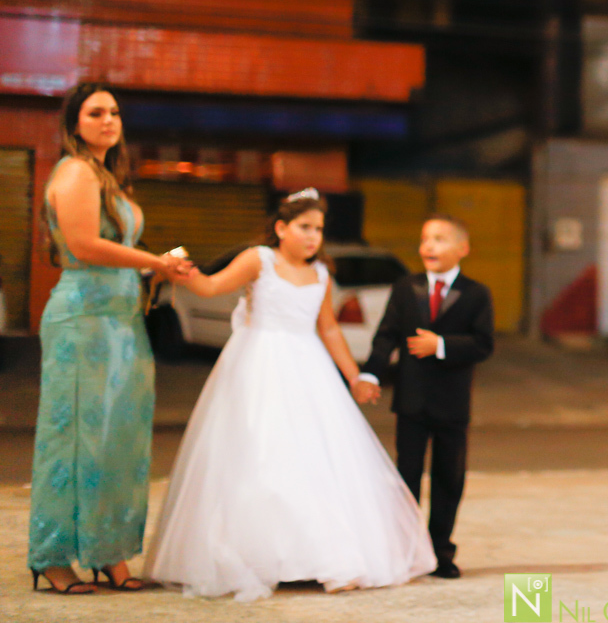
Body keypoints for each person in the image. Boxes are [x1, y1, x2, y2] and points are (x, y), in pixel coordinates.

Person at [144, 190, 436, 601]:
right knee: (261, 454)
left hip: (309, 368)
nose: (313, 236)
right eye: (304, 227)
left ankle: (323, 557)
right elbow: (210, 288)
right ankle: (262, 556)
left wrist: (355, 376)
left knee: (316, 457)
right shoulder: (258, 260)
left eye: (318, 229)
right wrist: (180, 269)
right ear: (281, 228)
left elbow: (329, 328)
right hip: (257, 365)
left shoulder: (322, 275)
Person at [30, 84, 191, 594]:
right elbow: (83, 244)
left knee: (120, 441)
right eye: (95, 112)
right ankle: (53, 556)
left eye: (115, 112)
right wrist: (154, 261)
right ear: (74, 123)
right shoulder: (75, 171)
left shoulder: (108, 177)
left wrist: (155, 273)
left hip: (122, 321)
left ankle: (110, 552)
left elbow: (113, 246)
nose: (108, 120)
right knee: (74, 440)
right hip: (83, 321)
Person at [359, 215, 495, 580]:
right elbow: (386, 335)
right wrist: (370, 372)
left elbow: (484, 344)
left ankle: (441, 551)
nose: (429, 246)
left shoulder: (476, 293)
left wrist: (443, 345)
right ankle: (405, 550)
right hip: (412, 401)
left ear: (462, 248)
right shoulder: (406, 287)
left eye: (439, 239)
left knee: (449, 477)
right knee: (407, 476)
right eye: (425, 239)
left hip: (452, 404)